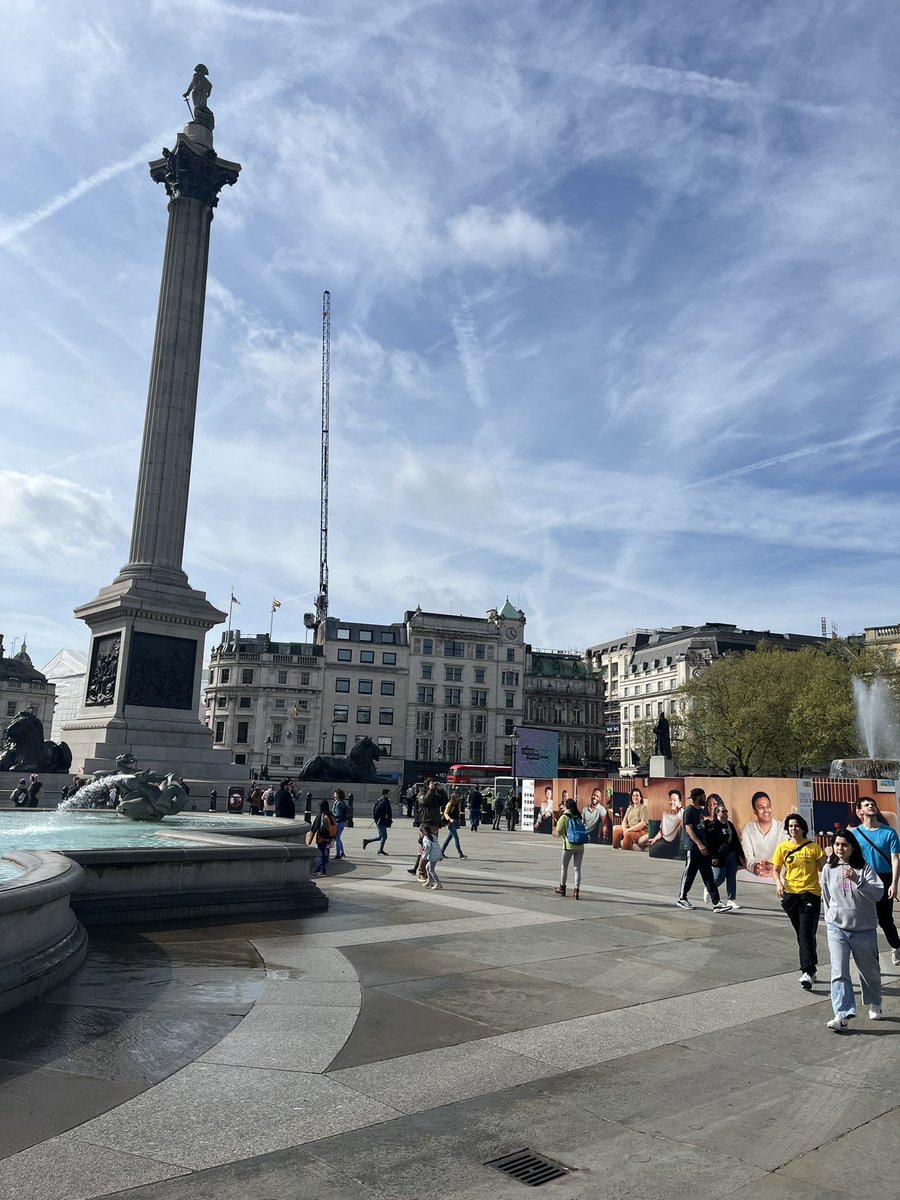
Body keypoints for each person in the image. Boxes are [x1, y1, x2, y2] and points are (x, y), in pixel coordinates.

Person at [821, 828, 885, 1031]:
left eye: (845, 845)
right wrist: (830, 917)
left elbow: (877, 894)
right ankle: (842, 1014)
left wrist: (857, 880)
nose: (840, 848)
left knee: (869, 971)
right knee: (838, 971)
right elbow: (826, 897)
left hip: (863, 928)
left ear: (852, 847)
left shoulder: (864, 868)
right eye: (837, 844)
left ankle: (875, 1002)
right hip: (836, 928)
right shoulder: (828, 869)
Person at [772, 813, 826, 990]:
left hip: (810, 894)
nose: (793, 829)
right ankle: (812, 964)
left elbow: (824, 868)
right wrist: (778, 883)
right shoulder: (782, 848)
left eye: (796, 825)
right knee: (802, 933)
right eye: (790, 826)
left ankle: (807, 972)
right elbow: (776, 869)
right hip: (790, 895)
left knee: (804, 932)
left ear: (803, 828)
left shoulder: (813, 847)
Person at [849, 796, 900, 967]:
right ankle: (872, 956)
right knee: (865, 919)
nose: (871, 806)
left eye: (873, 804)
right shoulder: (854, 834)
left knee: (885, 918)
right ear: (860, 812)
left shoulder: (889, 832)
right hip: (864, 878)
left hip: (884, 878)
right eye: (866, 805)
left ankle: (896, 946)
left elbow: (895, 859)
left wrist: (894, 883)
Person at [676, 788, 730, 913]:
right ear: (697, 797)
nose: (705, 799)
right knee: (689, 874)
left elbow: (700, 827)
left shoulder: (699, 811)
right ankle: (682, 898)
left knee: (708, 876)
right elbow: (689, 829)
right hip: (693, 848)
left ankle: (716, 902)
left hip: (703, 850)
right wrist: (699, 844)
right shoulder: (689, 811)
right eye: (703, 796)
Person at [705, 798, 744, 909]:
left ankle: (731, 899)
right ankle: (709, 888)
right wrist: (713, 856)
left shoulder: (729, 825)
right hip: (719, 856)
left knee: (731, 877)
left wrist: (741, 855)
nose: (725, 813)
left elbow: (736, 840)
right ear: (717, 813)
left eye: (726, 811)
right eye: (723, 811)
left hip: (731, 854)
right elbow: (710, 843)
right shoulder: (713, 825)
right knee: (720, 877)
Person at [740, 791, 782, 878]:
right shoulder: (747, 829)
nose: (766, 810)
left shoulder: (783, 828)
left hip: (780, 877)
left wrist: (775, 867)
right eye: (761, 807)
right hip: (756, 877)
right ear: (754, 811)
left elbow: (789, 858)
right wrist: (755, 867)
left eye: (768, 806)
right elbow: (748, 858)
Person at [409, 781, 444, 875]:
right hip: (425, 824)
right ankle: (421, 871)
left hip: (435, 824)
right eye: (431, 784)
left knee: (430, 849)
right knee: (426, 848)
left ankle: (425, 870)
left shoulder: (435, 794)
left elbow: (444, 801)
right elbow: (425, 801)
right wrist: (431, 790)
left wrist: (441, 791)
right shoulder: (422, 794)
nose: (433, 786)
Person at [554, 797, 587, 899]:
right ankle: (576, 891)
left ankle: (562, 888)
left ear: (566, 805)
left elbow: (558, 831)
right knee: (577, 868)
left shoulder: (564, 817)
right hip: (580, 846)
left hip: (568, 845)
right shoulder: (578, 817)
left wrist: (555, 833)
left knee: (564, 867)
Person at [648, 789, 683, 858]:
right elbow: (661, 831)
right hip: (663, 841)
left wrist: (680, 808)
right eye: (670, 799)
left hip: (672, 844)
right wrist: (654, 839)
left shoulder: (682, 813)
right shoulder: (665, 813)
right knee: (650, 848)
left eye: (675, 800)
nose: (672, 802)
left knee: (651, 853)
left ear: (679, 802)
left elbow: (685, 822)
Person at [311, 799, 336, 876]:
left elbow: (314, 827)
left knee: (320, 854)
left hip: (321, 837)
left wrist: (310, 839)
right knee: (324, 853)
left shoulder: (321, 815)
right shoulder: (331, 815)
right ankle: (319, 869)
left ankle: (322, 870)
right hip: (329, 837)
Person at [363, 789, 393, 854]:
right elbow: (377, 811)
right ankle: (380, 850)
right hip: (381, 821)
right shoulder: (383, 801)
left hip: (381, 821)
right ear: (385, 794)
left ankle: (367, 841)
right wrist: (384, 815)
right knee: (384, 836)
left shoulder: (384, 800)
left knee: (381, 837)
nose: (390, 795)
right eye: (389, 794)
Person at [441, 789, 467, 859]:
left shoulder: (457, 803)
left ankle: (441, 852)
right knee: (456, 838)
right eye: (457, 796)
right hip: (450, 823)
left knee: (449, 838)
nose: (459, 798)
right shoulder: (450, 804)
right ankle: (460, 854)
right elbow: (445, 813)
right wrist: (450, 819)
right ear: (454, 797)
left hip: (455, 822)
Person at [420, 825, 443, 890]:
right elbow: (437, 845)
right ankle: (429, 881)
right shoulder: (433, 836)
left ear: (423, 832)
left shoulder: (425, 838)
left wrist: (424, 857)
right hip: (436, 854)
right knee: (427, 867)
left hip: (433, 856)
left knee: (431, 870)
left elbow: (427, 848)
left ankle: (438, 883)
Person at [331, 788, 349, 859]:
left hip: (338, 822)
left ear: (338, 795)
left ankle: (338, 854)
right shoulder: (341, 802)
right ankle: (341, 852)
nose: (334, 795)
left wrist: (331, 815)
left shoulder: (338, 803)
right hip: (342, 822)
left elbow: (338, 814)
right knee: (338, 837)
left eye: (335, 794)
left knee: (337, 838)